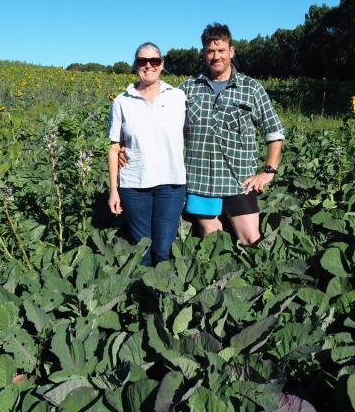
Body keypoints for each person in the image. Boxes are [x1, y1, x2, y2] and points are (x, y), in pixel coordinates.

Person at [179, 23, 285, 245]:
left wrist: (268, 171)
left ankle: (256, 279)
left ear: (231, 51)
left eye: (221, 51)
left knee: (250, 239)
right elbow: (165, 127)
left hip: (239, 179)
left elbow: (274, 131)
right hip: (201, 180)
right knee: (211, 239)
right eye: (210, 51)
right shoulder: (188, 88)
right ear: (203, 53)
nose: (216, 56)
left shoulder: (251, 88)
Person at [107, 42, 186, 266]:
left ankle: (164, 297)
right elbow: (114, 149)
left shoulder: (178, 97)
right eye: (142, 61)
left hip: (171, 183)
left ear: (162, 65)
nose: (149, 65)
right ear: (136, 66)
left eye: (155, 61)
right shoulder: (122, 101)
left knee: (164, 249)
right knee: (142, 249)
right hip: (134, 185)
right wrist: (114, 190)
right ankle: (143, 298)